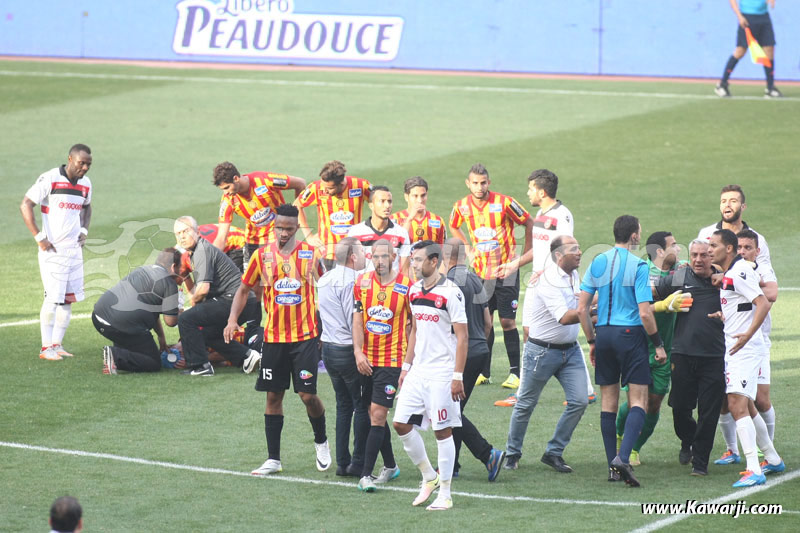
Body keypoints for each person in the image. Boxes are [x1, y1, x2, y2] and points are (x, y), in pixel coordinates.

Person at [225, 204, 331, 475]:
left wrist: (329, 328)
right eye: (279, 228)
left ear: (297, 228)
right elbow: (244, 289)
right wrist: (232, 319)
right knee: (273, 396)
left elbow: (328, 289)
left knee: (308, 395)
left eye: (288, 229)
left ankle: (321, 441)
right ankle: (273, 459)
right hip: (273, 338)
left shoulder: (310, 255)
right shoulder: (262, 255)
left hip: (305, 337)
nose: (283, 233)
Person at [493, 169, 595, 407]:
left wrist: (548, 271)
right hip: (538, 281)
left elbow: (568, 250)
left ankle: (585, 390)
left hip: (553, 282)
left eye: (531, 188)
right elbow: (540, 250)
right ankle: (523, 391)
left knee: (565, 334)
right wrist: (515, 264)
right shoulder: (541, 214)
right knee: (529, 331)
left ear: (541, 191)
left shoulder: (562, 216)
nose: (528, 192)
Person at [577, 215, 666, 487]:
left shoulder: (598, 261)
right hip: (630, 335)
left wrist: (592, 341)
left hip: (603, 335)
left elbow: (581, 309)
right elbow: (645, 313)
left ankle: (612, 468)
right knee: (639, 399)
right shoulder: (639, 266)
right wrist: (658, 344)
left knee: (608, 403)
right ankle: (623, 458)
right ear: (635, 236)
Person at [393, 241, 468, 511]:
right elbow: (414, 330)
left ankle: (445, 493)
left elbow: (463, 337)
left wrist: (457, 375)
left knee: (442, 431)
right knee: (400, 423)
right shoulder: (413, 291)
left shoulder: (451, 293)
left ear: (434, 262)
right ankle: (429, 476)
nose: (413, 264)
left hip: (442, 372)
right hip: (419, 371)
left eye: (418, 260)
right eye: (412, 259)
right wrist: (406, 367)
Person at [505, 235, 589, 472]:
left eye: (579, 247)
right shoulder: (548, 280)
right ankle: (512, 453)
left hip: (570, 351)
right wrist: (593, 309)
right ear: (559, 255)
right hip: (541, 352)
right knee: (526, 404)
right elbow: (565, 317)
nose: (580, 252)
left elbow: (580, 305)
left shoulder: (573, 275)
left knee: (580, 401)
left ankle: (554, 452)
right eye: (574, 248)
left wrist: (593, 307)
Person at [707, 229, 784, 487]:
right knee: (748, 406)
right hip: (738, 346)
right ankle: (772, 458)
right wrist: (726, 317)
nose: (709, 250)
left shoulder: (738, 271)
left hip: (744, 349)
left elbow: (762, 302)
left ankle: (754, 468)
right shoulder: (732, 273)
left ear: (728, 248)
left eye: (714, 246)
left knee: (736, 404)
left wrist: (747, 334)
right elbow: (744, 305)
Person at [449, 163, 532, 390]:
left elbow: (528, 221)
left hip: (505, 271)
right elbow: (454, 225)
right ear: (468, 184)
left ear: (489, 182)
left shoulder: (505, 203)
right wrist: (467, 248)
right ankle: (483, 372)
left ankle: (514, 373)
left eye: (483, 182)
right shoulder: (461, 206)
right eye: (475, 183)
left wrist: (524, 255)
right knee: (485, 320)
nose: (479, 187)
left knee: (507, 321)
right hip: (480, 273)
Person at [655, 240, 725, 476]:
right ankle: (688, 440)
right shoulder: (681, 276)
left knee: (709, 412)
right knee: (680, 407)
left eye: (703, 255)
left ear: (712, 256)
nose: (698, 259)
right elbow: (648, 293)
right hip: (683, 354)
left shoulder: (724, 280)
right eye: (694, 255)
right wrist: (663, 305)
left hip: (714, 355)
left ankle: (700, 462)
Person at [20, 143, 93, 361]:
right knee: (52, 299)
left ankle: (57, 345)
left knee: (67, 300)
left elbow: (87, 206)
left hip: (74, 250)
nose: (85, 168)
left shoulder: (86, 183)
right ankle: (45, 348)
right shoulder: (50, 178)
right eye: (81, 163)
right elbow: (26, 204)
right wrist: (39, 237)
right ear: (70, 159)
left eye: (88, 164)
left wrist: (84, 230)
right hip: (53, 251)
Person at [615, 231, 682, 466]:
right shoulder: (640, 270)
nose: (679, 249)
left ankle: (635, 447)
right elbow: (637, 303)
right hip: (638, 347)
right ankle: (621, 437)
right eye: (674, 245)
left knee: (653, 404)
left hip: (666, 349)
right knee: (637, 402)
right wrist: (662, 304)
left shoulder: (681, 269)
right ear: (660, 251)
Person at [442, 238, 506, 481]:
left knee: (451, 410)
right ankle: (453, 465)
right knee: (454, 409)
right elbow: (488, 323)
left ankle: (488, 454)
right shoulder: (476, 280)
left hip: (462, 353)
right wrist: (480, 345)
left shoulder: (448, 284)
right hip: (479, 350)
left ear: (445, 258)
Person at [353, 239, 412, 492]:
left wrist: (409, 363)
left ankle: (365, 475)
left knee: (378, 414)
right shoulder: (361, 283)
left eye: (384, 256)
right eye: (375, 256)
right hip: (366, 361)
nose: (379, 261)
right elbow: (357, 320)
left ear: (394, 258)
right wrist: (357, 352)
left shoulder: (407, 287)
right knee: (371, 413)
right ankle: (390, 465)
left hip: (392, 360)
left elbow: (414, 327)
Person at [174, 216, 261, 376]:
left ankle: (200, 366)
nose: (182, 236)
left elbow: (203, 290)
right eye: (178, 233)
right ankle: (247, 356)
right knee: (208, 334)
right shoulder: (198, 251)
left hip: (234, 300)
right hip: (243, 301)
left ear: (197, 231)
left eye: (186, 231)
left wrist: (192, 302)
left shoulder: (201, 250)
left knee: (186, 319)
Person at [316, 236, 369, 477]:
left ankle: (341, 462)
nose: (366, 257)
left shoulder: (324, 279)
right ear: (353, 257)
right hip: (348, 349)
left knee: (343, 405)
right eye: (362, 252)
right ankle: (357, 462)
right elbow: (353, 320)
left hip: (329, 348)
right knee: (361, 405)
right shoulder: (353, 282)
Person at [92, 248, 182, 374]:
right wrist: (181, 312)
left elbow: (152, 310)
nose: (180, 271)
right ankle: (115, 355)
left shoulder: (142, 270)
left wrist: (161, 337)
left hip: (99, 317)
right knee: (153, 362)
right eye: (180, 267)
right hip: (121, 325)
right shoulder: (169, 283)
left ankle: (118, 353)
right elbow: (171, 321)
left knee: (134, 349)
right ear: (173, 267)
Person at [213, 162, 306, 268]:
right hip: (252, 242)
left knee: (278, 274)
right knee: (250, 277)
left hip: (278, 236)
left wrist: (295, 215)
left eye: (227, 187)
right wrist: (210, 260)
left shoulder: (266, 180)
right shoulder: (228, 200)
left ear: (236, 178)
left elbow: (300, 183)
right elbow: (221, 237)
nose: (225, 193)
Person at [295, 160, 372, 269]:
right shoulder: (316, 187)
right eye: (324, 186)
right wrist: (308, 235)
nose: (325, 190)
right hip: (328, 252)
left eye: (330, 188)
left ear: (341, 184)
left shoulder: (361, 185)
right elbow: (296, 206)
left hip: (354, 253)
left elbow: (379, 203)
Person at [715, 0, 782, 98]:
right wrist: (739, 16)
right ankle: (722, 84)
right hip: (747, 17)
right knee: (740, 51)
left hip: (763, 17)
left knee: (769, 50)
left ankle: (770, 88)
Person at [697, 184, 771, 267]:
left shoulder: (757, 239)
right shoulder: (705, 234)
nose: (727, 205)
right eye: (723, 201)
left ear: (743, 207)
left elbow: (766, 272)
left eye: (733, 201)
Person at [347, 186, 411, 275]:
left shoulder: (401, 233)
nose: (387, 205)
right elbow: (349, 268)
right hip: (364, 283)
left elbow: (405, 271)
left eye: (389, 201)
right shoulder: (355, 232)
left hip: (391, 283)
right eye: (382, 201)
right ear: (371, 205)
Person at [391, 176, 447, 245]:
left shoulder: (438, 220)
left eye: (423, 195)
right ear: (406, 197)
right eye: (415, 196)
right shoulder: (394, 220)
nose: (420, 200)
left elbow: (442, 249)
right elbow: (394, 247)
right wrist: (409, 219)